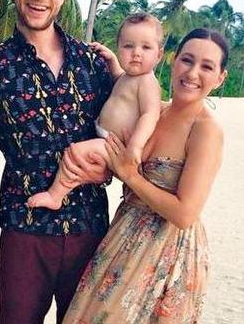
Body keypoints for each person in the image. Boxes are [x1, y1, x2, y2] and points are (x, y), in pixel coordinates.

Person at [0, 0, 115, 324]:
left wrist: (108, 170)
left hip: (90, 232)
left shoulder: (92, 63)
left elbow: (124, 142)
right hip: (22, 233)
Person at [62, 28, 228, 324]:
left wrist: (132, 177)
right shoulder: (155, 112)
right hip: (123, 233)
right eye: (187, 60)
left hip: (166, 250)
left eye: (207, 67)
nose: (192, 73)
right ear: (173, 61)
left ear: (220, 78)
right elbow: (115, 146)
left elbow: (185, 214)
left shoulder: (205, 130)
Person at [27, 12, 163, 210]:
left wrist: (135, 146)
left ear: (159, 54)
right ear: (119, 48)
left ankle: (55, 195)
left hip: (117, 146)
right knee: (81, 161)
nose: (136, 53)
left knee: (75, 154)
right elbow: (119, 83)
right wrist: (113, 63)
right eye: (128, 46)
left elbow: (150, 115)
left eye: (146, 47)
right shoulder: (129, 77)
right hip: (106, 139)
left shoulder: (148, 82)